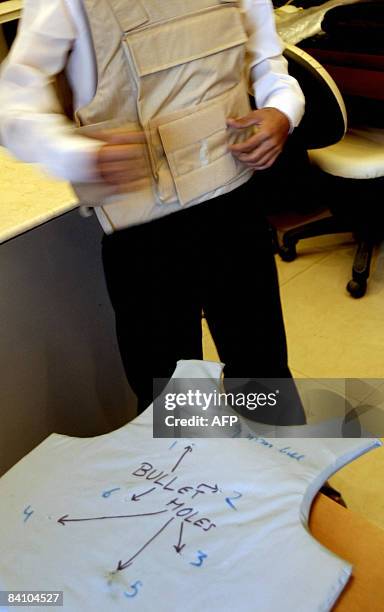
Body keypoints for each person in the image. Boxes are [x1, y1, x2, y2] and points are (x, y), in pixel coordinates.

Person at [0, 0, 305, 418]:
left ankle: (286, 476)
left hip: (234, 200)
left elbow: (267, 59)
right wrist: (79, 155)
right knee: (173, 393)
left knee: (262, 368)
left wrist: (281, 110)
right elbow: (13, 103)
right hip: (145, 231)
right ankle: (192, 480)